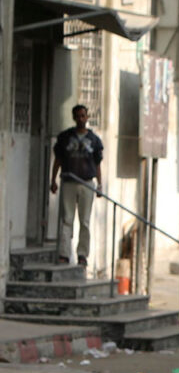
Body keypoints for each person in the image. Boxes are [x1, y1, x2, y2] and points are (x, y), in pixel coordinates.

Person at [50, 104, 103, 266]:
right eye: (78, 116)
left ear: (87, 118)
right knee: (67, 219)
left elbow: (97, 163)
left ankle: (82, 255)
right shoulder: (65, 137)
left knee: (85, 221)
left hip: (87, 183)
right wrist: (53, 180)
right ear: (74, 118)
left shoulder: (94, 140)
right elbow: (58, 160)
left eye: (83, 116)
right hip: (68, 181)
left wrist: (100, 185)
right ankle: (64, 254)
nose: (80, 119)